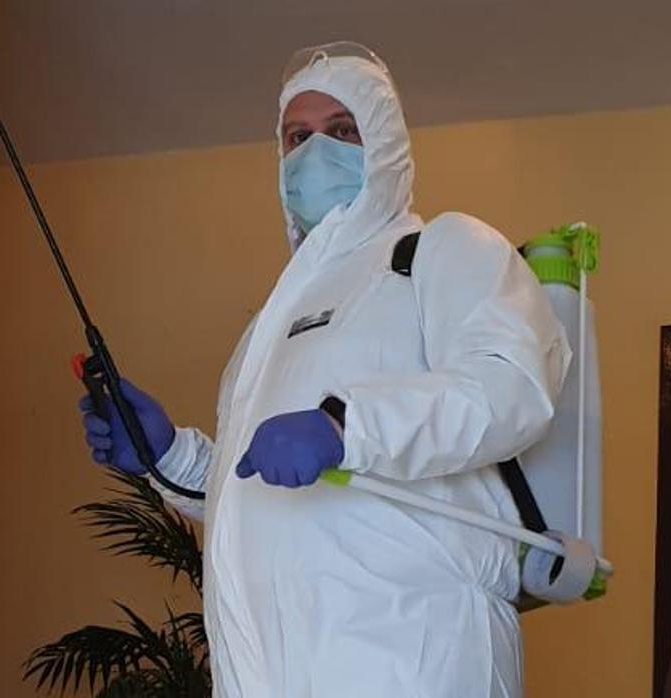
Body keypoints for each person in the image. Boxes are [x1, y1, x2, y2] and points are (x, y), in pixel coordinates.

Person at [78, 42, 570, 697]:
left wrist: (346, 425)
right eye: (296, 137)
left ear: (386, 144)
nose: (315, 153)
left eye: (341, 131)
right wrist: (168, 455)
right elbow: (261, 488)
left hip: (412, 654)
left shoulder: (441, 249)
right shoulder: (270, 324)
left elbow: (509, 388)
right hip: (267, 670)